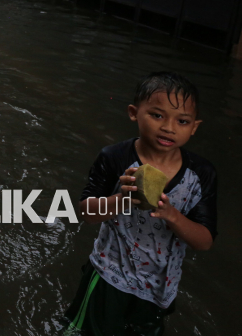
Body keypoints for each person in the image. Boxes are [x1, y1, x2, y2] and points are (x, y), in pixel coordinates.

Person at [63, 72, 216, 335]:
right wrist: (122, 199)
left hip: (158, 288)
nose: (169, 127)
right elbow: (87, 213)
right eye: (157, 115)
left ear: (194, 127)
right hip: (109, 276)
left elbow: (204, 241)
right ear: (134, 113)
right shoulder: (115, 158)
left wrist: (172, 215)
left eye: (182, 121)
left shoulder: (200, 175)